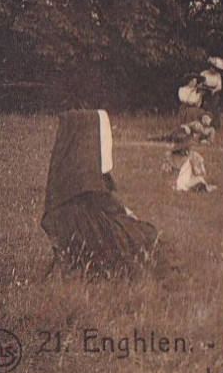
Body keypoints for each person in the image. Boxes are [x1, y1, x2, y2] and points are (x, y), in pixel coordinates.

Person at [42, 110, 158, 275]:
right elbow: (102, 200)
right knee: (141, 234)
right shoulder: (86, 175)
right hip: (86, 227)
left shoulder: (67, 167)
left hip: (74, 228)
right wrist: (126, 212)